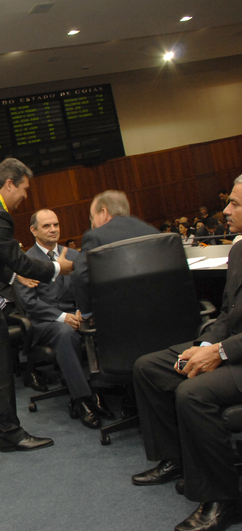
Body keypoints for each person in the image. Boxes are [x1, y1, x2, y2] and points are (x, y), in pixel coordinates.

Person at [132, 175, 242, 531]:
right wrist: (205, 346)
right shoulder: (239, 250)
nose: (227, 210)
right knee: (150, 367)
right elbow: (226, 315)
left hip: (237, 353)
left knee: (192, 393)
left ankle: (224, 500)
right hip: (230, 346)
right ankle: (179, 461)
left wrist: (220, 352)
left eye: (235, 204)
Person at [0, 158, 70, 453]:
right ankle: (10, 433)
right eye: (24, 189)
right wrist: (57, 268)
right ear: (9, 184)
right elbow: (20, 260)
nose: (25, 196)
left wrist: (12, 275)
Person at [14, 210, 114, 428]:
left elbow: (87, 290)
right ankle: (82, 400)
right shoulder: (26, 262)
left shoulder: (74, 256)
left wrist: (82, 311)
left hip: (76, 315)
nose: (53, 229)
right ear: (33, 230)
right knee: (65, 333)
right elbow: (29, 303)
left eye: (56, 224)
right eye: (47, 226)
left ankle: (99, 390)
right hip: (45, 322)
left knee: (105, 324)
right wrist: (62, 317)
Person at [72, 190, 158, 317]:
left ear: (103, 212)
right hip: (160, 311)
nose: (92, 224)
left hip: (119, 317)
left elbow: (81, 275)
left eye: (92, 217)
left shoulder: (95, 237)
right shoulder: (153, 231)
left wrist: (86, 314)